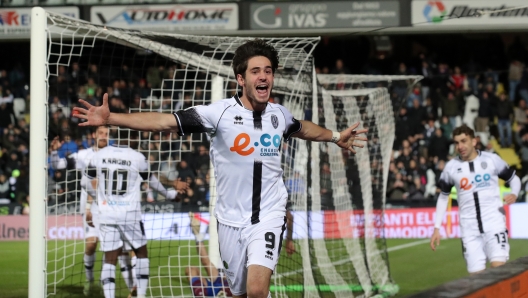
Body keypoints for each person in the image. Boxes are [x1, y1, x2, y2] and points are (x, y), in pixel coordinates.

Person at [73, 39, 367, 298]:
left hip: (269, 214)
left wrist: (337, 137)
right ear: (241, 78)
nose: (264, 76)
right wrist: (112, 119)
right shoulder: (218, 113)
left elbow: (303, 128)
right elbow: (164, 121)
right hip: (228, 221)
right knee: (238, 293)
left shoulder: (280, 115)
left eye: (268, 71)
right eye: (256, 71)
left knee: (256, 290)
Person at [84, 130, 188, 298]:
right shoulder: (137, 157)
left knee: (110, 258)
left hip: (106, 213)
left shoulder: (100, 155)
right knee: (141, 253)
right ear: (132, 137)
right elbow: (151, 180)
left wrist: (99, 199)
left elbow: (84, 182)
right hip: (129, 213)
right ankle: (140, 295)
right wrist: (169, 195)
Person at [430, 125, 520, 275]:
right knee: (477, 282)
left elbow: (514, 178)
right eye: (457, 143)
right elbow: (443, 196)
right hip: (469, 230)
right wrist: (437, 228)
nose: (460, 146)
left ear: (474, 141)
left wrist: (515, 193)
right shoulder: (451, 167)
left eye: (464, 141)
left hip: (494, 224)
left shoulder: (491, 159)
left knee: (498, 273)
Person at [49, 126, 111, 296]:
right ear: (93, 135)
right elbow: (59, 165)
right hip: (90, 207)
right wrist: (54, 152)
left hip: (112, 208)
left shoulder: (114, 155)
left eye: (107, 133)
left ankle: (104, 282)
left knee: (109, 247)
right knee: (91, 245)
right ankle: (90, 280)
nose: (104, 136)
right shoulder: (84, 155)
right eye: (101, 133)